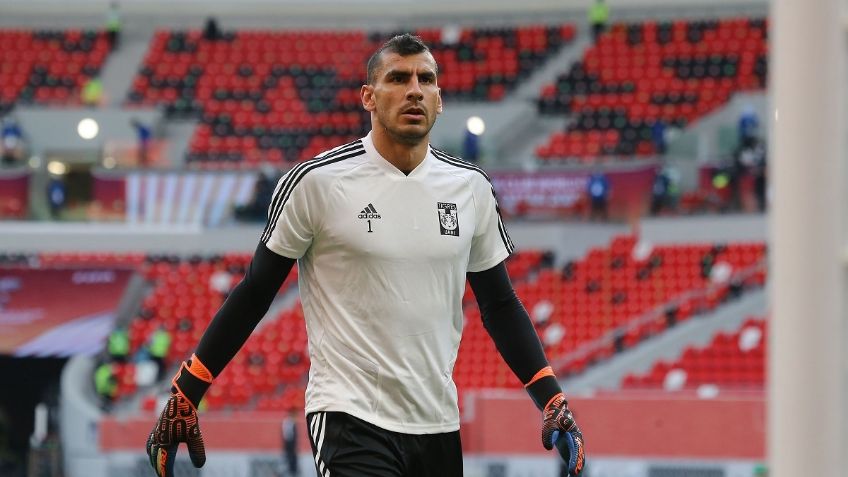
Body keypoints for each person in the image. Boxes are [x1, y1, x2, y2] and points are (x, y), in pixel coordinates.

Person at [145, 34, 586, 477]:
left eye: (426, 79)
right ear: (368, 98)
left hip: (437, 423)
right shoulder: (315, 182)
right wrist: (187, 390)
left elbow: (499, 303)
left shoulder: (471, 187)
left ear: (439, 99)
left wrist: (551, 398)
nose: (414, 89)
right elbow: (256, 290)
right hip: (347, 415)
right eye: (398, 78)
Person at [281, 409, 299, 476]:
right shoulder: (290, 422)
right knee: (290, 459)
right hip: (290, 444)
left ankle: (291, 472)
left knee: (291, 459)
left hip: (288, 443)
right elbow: (290, 435)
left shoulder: (287, 422)